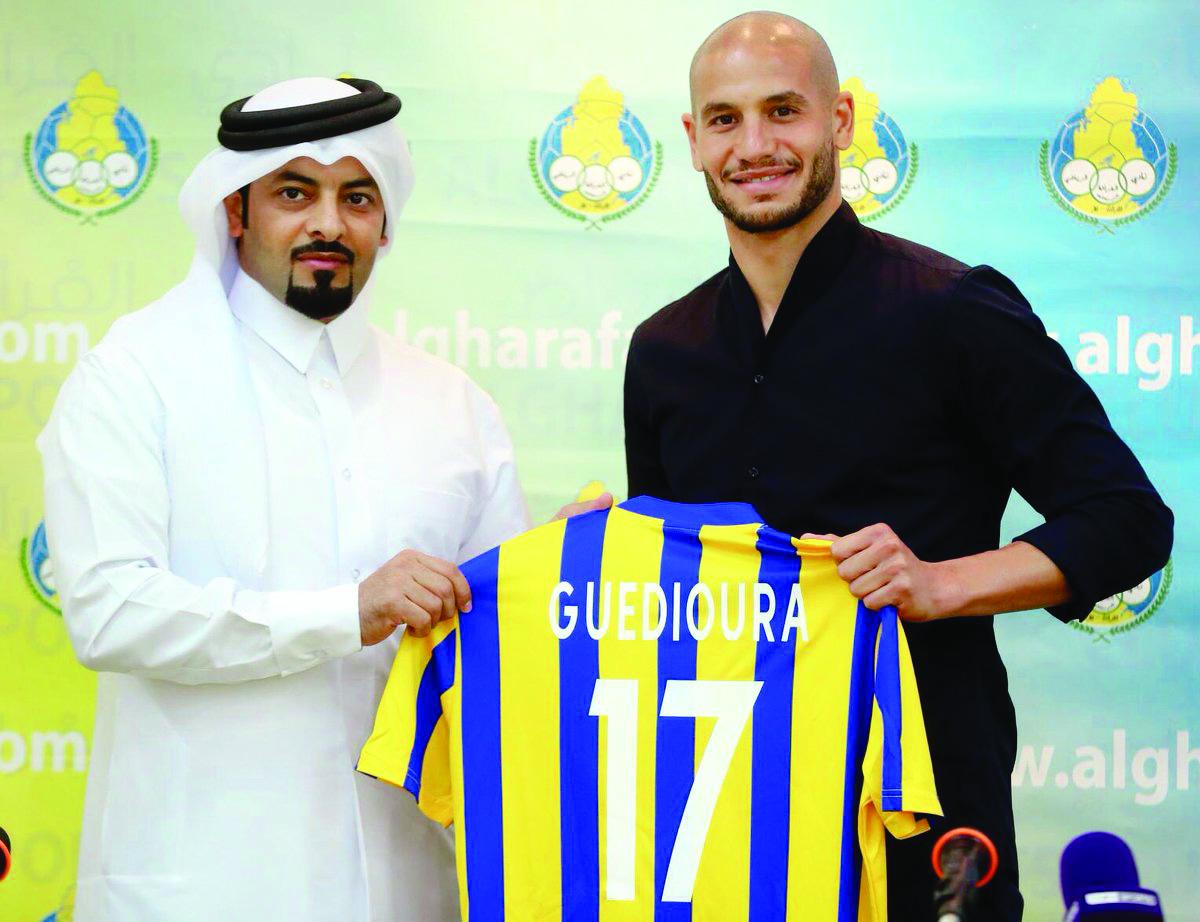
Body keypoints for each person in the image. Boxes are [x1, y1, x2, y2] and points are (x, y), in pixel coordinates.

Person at [623, 14, 1172, 921]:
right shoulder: (661, 350)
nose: (754, 146)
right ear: (690, 141)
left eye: (783, 111)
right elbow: (674, 594)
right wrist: (609, 549)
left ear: (839, 120)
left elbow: (1126, 519)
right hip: (722, 810)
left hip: (927, 808)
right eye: (724, 120)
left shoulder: (955, 310)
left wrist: (938, 583)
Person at [38, 76, 530, 921]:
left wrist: (562, 571)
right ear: (236, 212)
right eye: (294, 193)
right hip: (202, 884)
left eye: (357, 196)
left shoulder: (453, 406)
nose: (328, 225)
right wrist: (348, 613)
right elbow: (107, 609)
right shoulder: (137, 377)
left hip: (405, 887)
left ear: (385, 221)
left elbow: (496, 655)